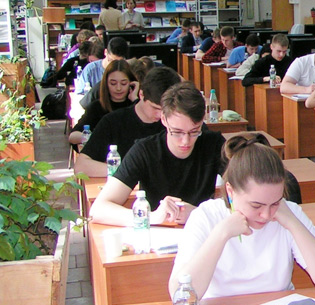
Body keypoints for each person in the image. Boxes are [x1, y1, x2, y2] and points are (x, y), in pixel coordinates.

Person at [168, 134, 315, 299]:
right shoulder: (206, 216)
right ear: (230, 191)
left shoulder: (288, 212)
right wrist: (220, 235)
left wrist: (293, 224)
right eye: (256, 205)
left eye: (275, 203)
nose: (266, 215)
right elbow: (180, 294)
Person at [90, 81, 225, 226]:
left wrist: (198, 214)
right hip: (157, 231)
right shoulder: (144, 150)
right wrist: (152, 216)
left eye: (194, 131)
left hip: (204, 232)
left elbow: (240, 198)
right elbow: (98, 210)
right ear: (164, 119)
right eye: (177, 132)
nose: (185, 141)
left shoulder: (215, 144)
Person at [74, 66, 181, 178]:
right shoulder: (113, 122)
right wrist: (130, 170)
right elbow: (81, 166)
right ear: (141, 94)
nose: (161, 115)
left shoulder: (176, 124)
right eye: (155, 108)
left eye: (166, 110)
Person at [68, 60, 138, 145]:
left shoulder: (137, 105)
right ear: (106, 84)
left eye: (123, 83)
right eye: (113, 83)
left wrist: (135, 99)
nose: (118, 88)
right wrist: (94, 137)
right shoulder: (97, 107)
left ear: (131, 83)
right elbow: (73, 136)